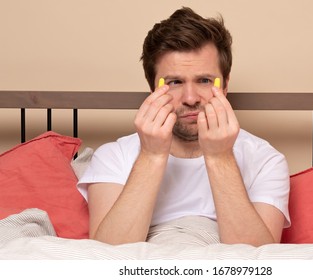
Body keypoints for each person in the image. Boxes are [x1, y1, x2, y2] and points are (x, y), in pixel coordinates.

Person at [78, 7, 290, 246]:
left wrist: (220, 158)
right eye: (175, 82)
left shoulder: (265, 160)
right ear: (153, 89)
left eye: (204, 81)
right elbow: (107, 255)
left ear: (225, 86)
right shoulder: (114, 156)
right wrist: (152, 155)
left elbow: (258, 259)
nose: (191, 98)